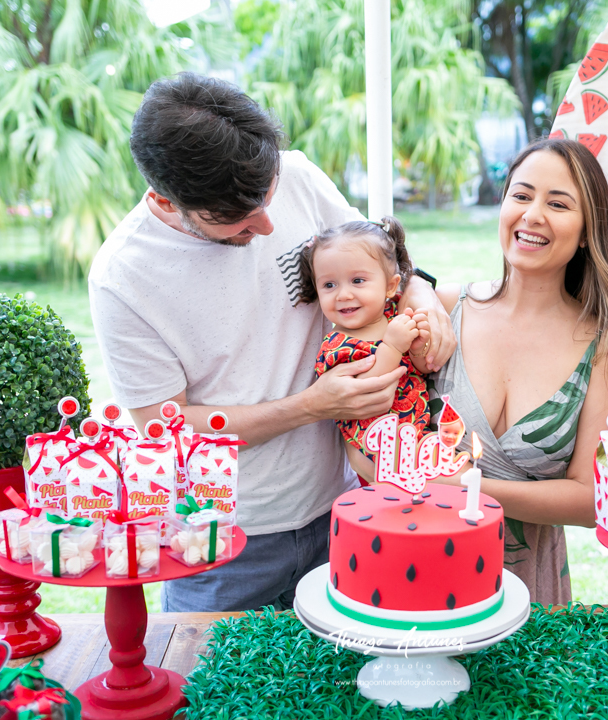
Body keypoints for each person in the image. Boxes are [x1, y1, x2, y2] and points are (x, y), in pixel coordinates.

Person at [88, 73, 454, 612]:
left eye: (267, 197)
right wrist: (311, 406)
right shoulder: (123, 277)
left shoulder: (298, 174)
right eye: (236, 218)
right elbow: (166, 425)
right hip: (223, 545)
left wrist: (419, 290)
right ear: (164, 199)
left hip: (343, 510)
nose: (265, 225)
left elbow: (378, 257)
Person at [428, 137, 608, 605]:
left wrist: (465, 487)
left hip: (529, 591)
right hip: (421, 570)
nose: (532, 215)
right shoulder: (444, 307)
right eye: (522, 195)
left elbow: (591, 500)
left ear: (588, 231)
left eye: (558, 203)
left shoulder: (603, 349)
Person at [300, 216, 432, 481]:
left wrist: (417, 349)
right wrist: (393, 346)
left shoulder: (396, 316)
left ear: (390, 286)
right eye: (329, 285)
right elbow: (361, 390)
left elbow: (420, 370)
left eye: (358, 281)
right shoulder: (338, 345)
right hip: (374, 452)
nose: (343, 294)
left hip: (416, 434)